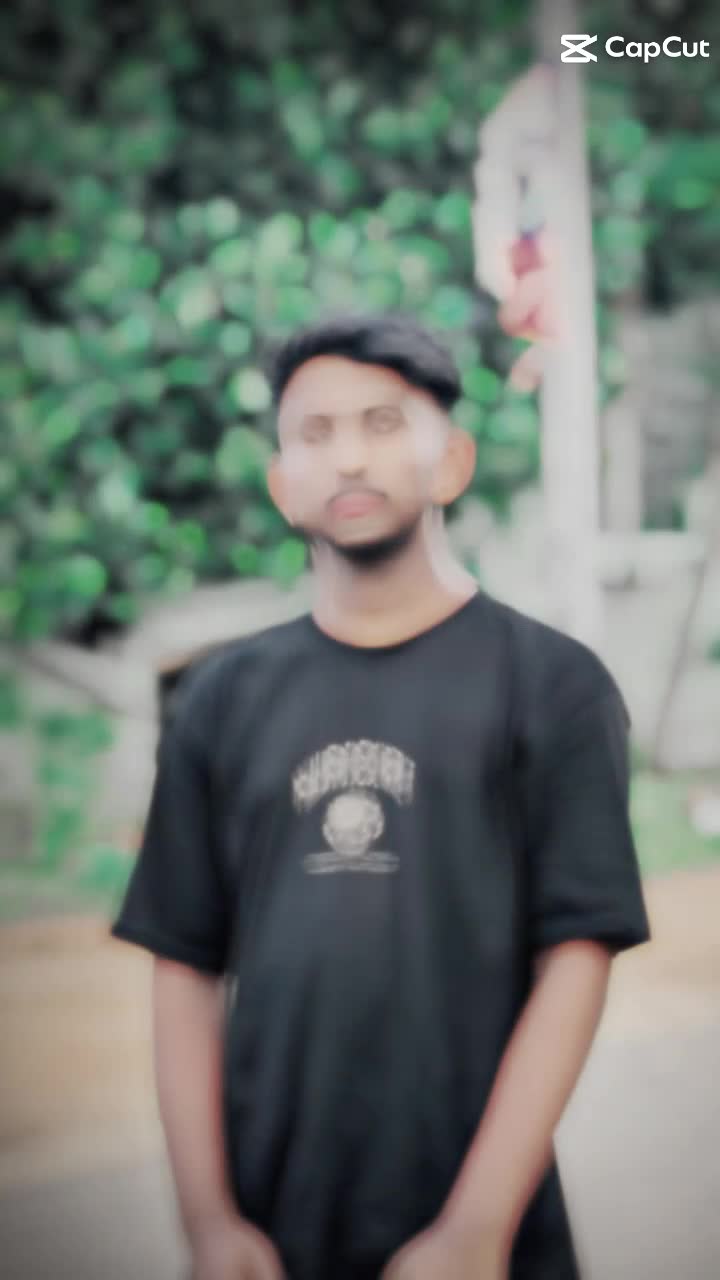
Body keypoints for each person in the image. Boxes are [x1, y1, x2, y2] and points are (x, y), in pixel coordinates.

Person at [110, 312, 651, 1280]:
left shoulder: (551, 684)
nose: (349, 456)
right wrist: (208, 1221)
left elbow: (576, 957)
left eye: (384, 422)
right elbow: (184, 965)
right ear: (282, 486)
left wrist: (476, 1229)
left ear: (454, 462)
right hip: (270, 1234)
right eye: (314, 433)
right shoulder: (221, 699)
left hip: (487, 1237)